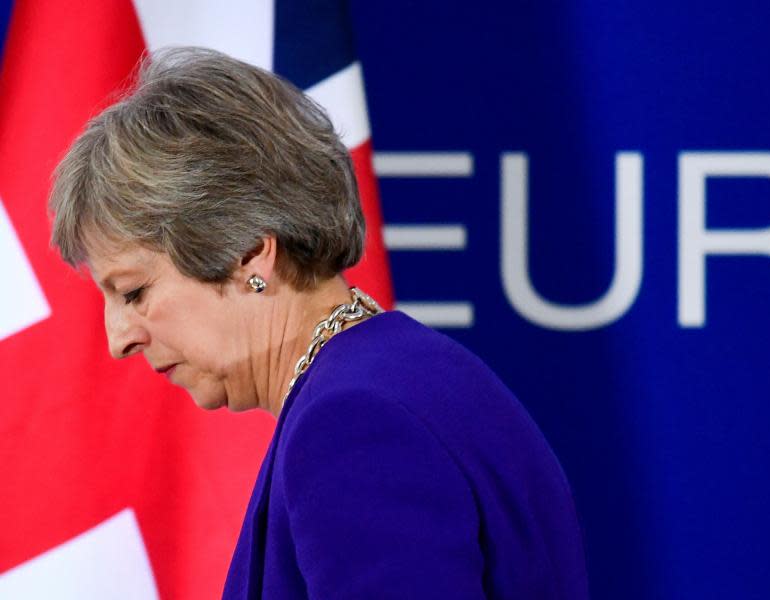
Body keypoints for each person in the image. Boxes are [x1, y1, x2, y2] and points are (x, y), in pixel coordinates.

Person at [47, 47, 588, 599]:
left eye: (134, 291)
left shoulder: (353, 423)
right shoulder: (405, 374)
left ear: (249, 256)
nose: (119, 339)